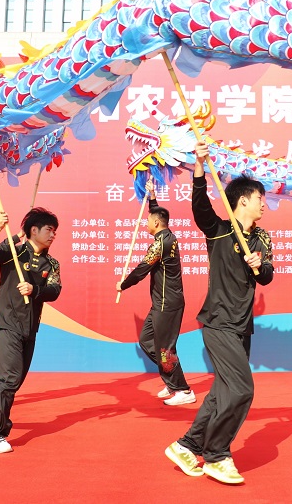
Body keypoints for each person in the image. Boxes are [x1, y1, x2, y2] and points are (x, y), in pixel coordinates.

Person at [165, 140, 274, 484]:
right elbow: (200, 207)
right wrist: (199, 166)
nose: (264, 204)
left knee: (223, 391)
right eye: (259, 198)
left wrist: (259, 265)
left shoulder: (261, 238)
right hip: (218, 321)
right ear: (243, 200)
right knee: (242, 390)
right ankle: (217, 455)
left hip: (242, 326)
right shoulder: (219, 230)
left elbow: (267, 275)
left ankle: (186, 446)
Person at [0, 208, 61, 453]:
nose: (53, 235)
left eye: (55, 231)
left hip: (30, 327)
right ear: (34, 230)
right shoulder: (14, 251)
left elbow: (55, 290)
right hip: (7, 322)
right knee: (8, 379)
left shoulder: (52, 263)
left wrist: (34, 289)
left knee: (14, 380)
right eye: (49, 230)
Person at [116, 179, 194, 406]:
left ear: (157, 223)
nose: (146, 223)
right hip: (160, 303)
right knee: (146, 341)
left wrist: (123, 284)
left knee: (164, 349)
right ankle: (171, 380)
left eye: (149, 220)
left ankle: (183, 390)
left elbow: (142, 269)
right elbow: (157, 212)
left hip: (167, 304)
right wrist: (151, 196)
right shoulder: (166, 236)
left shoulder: (161, 244)